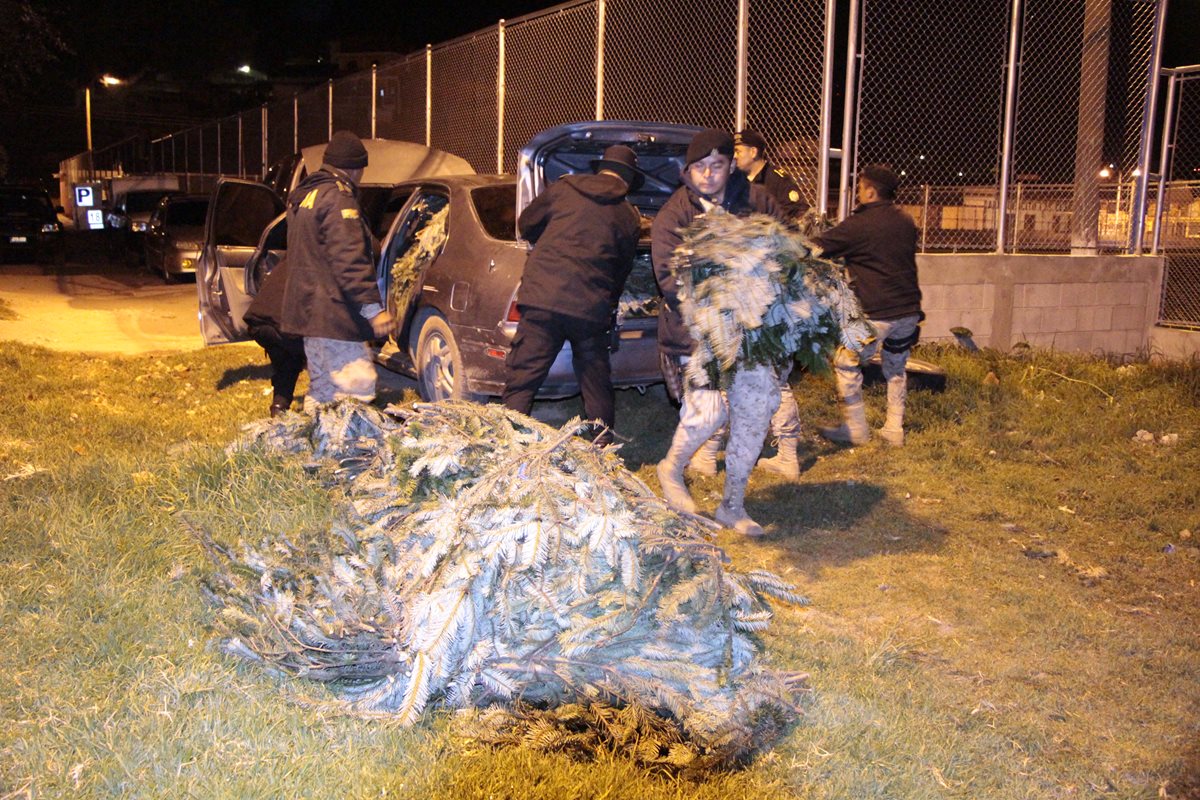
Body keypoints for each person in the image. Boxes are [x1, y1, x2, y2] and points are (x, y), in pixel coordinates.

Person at [653, 129, 784, 537]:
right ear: (687, 170)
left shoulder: (758, 202)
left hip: (756, 334)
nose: (708, 175)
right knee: (707, 413)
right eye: (700, 167)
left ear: (731, 165)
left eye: (717, 166)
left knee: (754, 414)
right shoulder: (676, 214)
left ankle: (733, 504)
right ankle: (671, 470)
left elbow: (785, 255)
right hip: (698, 333)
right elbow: (670, 278)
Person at [502, 145, 644, 445]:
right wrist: (608, 303)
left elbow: (526, 224)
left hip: (544, 297)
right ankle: (602, 442)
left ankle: (509, 441)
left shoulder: (565, 189)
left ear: (600, 169)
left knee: (524, 376)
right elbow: (621, 269)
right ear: (628, 182)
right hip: (589, 307)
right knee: (595, 378)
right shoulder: (629, 216)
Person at [279, 130, 396, 409]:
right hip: (333, 315)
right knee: (356, 386)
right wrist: (372, 310)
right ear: (356, 169)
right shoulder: (338, 199)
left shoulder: (306, 196)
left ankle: (319, 443)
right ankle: (348, 448)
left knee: (323, 389)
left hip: (310, 313)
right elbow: (349, 259)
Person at [814, 164, 922, 447]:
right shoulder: (906, 221)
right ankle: (894, 429)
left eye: (860, 187)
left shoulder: (859, 224)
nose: (857, 192)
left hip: (876, 314)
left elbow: (818, 247)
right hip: (908, 311)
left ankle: (856, 429)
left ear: (871, 191)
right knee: (896, 368)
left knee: (845, 362)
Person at [243, 256, 306, 417]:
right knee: (320, 354)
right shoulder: (319, 260)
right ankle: (327, 407)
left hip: (258, 324)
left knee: (287, 358)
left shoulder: (295, 255)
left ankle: (278, 407)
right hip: (282, 324)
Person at [734, 130, 809, 221]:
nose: (734, 156)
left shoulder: (779, 180)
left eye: (738, 151)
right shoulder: (734, 179)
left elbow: (796, 211)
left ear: (753, 152)